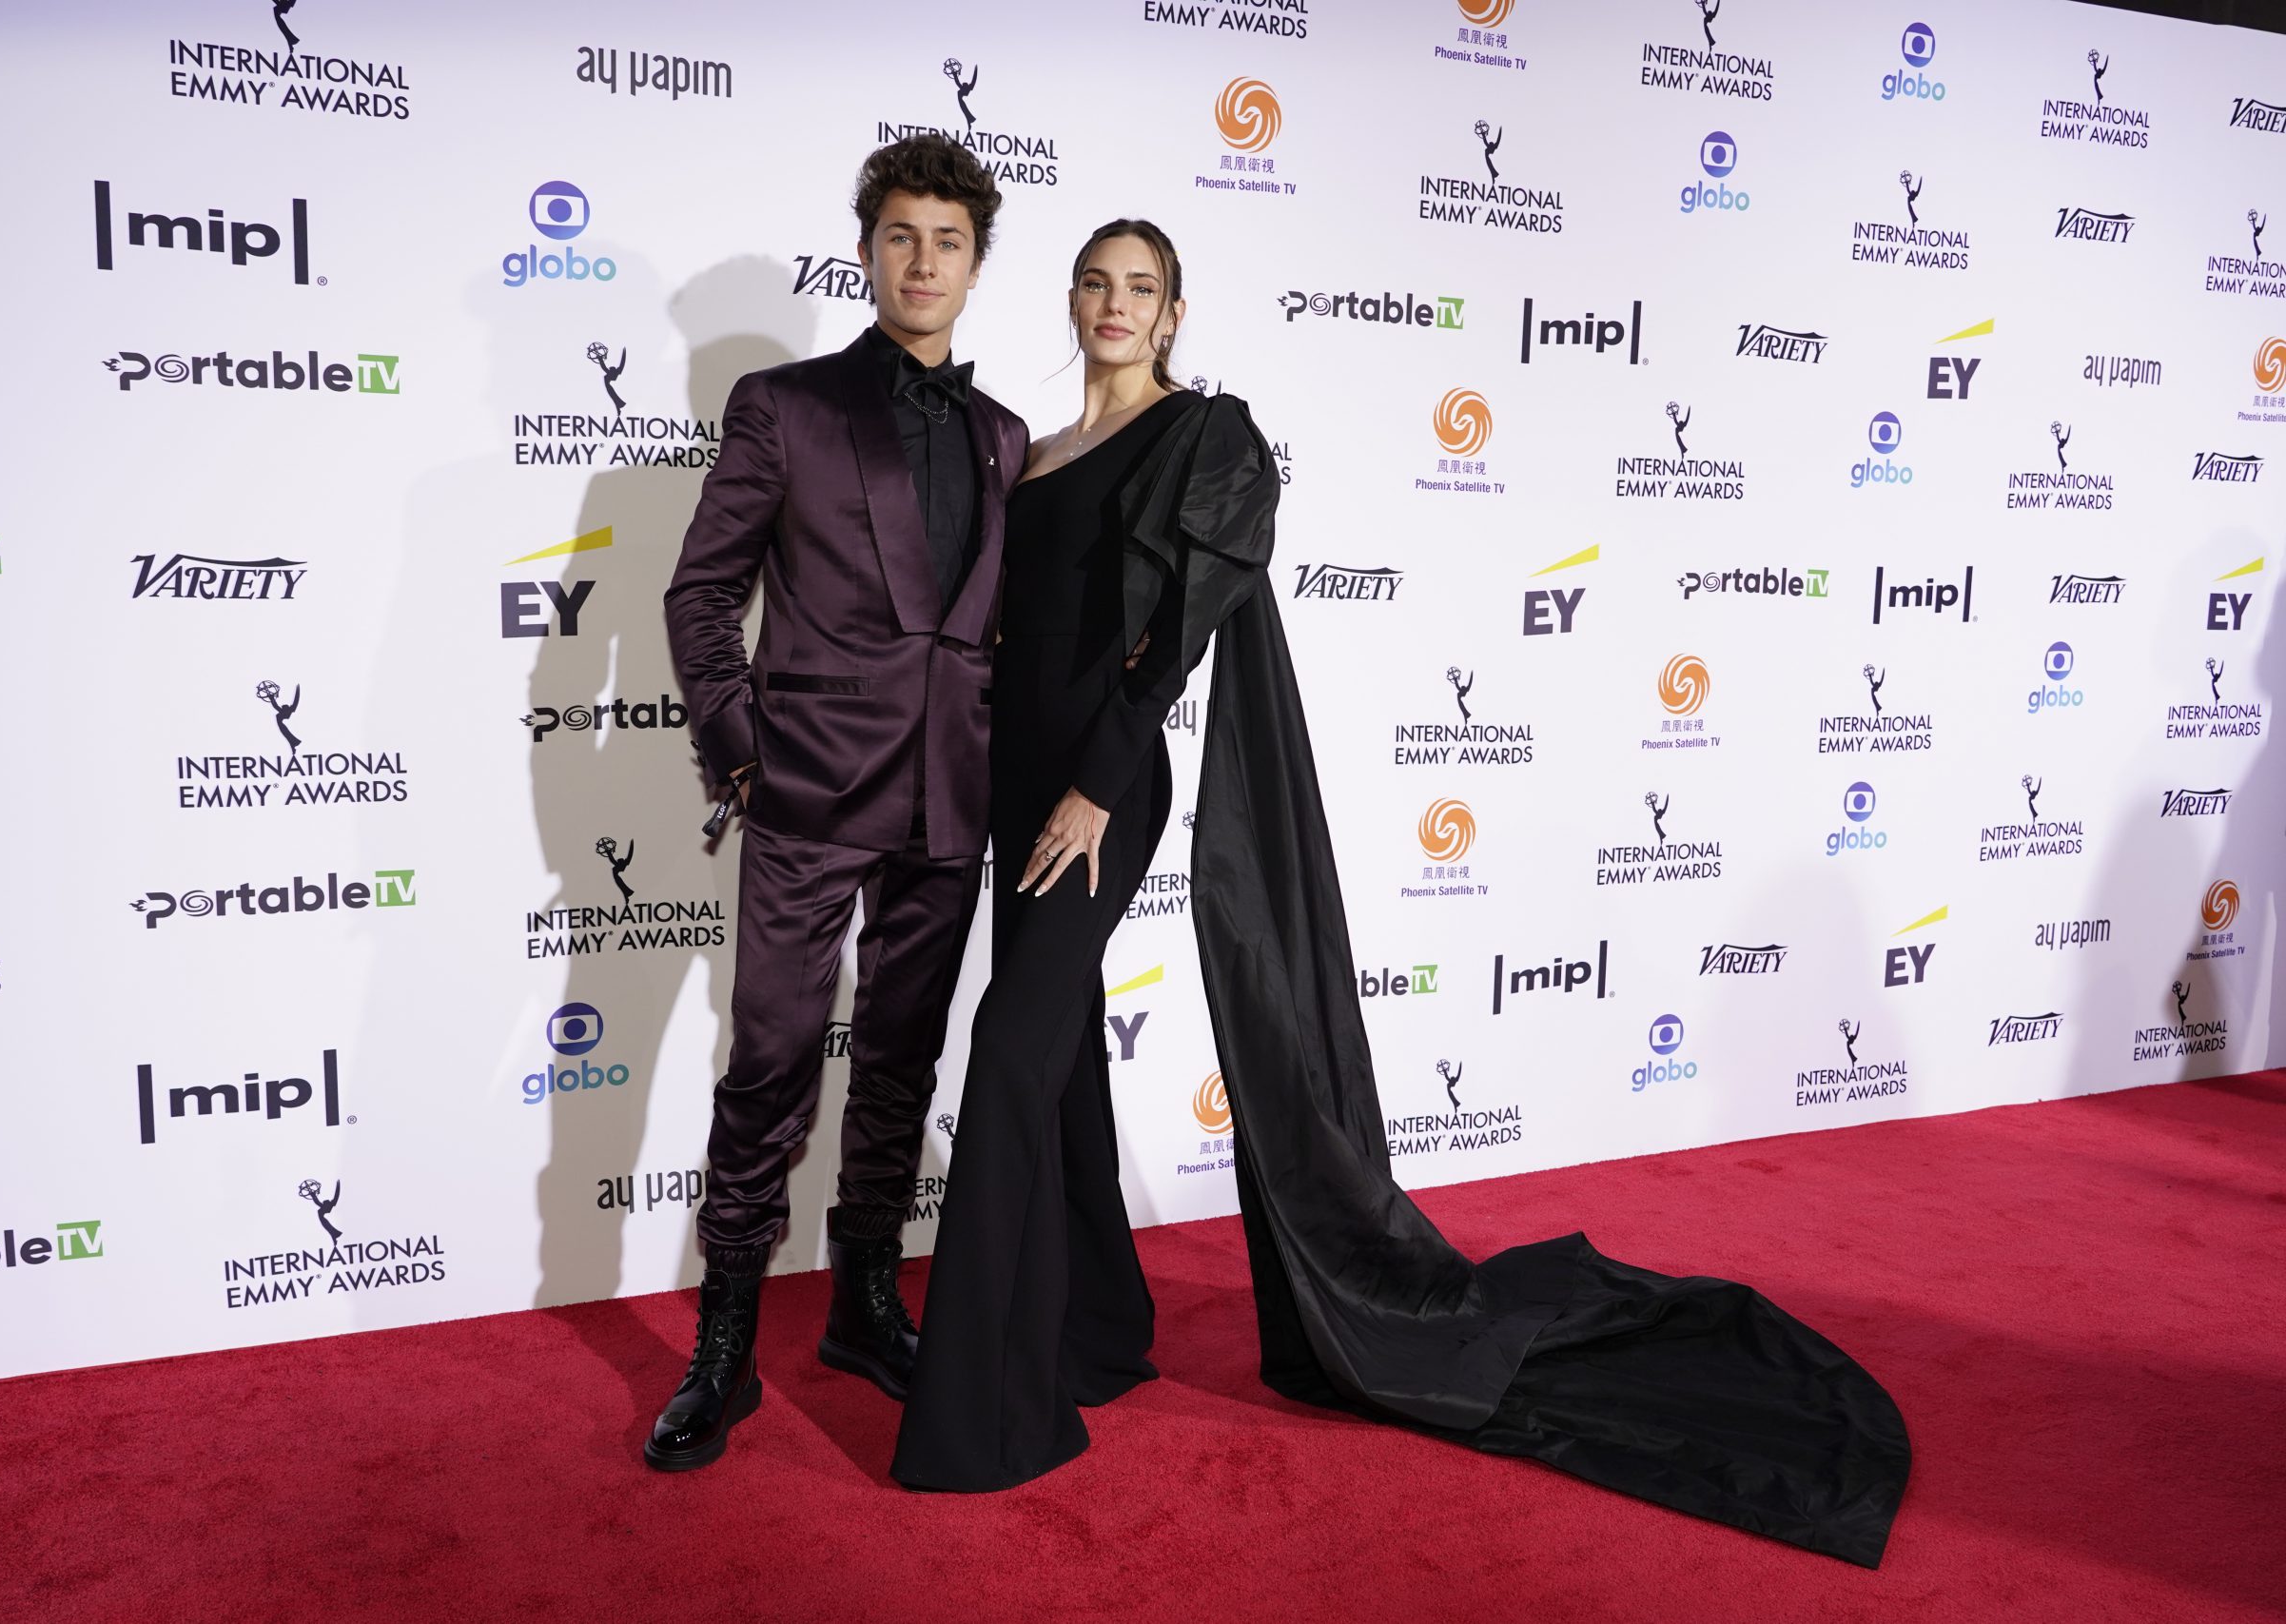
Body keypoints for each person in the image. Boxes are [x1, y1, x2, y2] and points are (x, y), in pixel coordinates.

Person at [892, 220, 1911, 1570]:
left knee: (1011, 1049)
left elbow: (1169, 645)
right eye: (1098, 282)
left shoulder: (1202, 435)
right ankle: (1094, 1329)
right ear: (1071, 300)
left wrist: (1094, 786)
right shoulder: (1035, 453)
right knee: (1063, 1054)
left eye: (1143, 288)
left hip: (1096, 791)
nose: (1117, 304)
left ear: (1175, 313)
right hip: (1011, 785)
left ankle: (986, 1411)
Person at [651, 134, 1026, 1472]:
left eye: (949, 242)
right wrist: (742, 755)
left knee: (903, 1063)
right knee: (768, 1066)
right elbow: (701, 594)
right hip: (808, 791)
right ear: (866, 253)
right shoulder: (785, 406)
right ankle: (725, 1348)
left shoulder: (1003, 436)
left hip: (951, 801)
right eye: (902, 237)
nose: (924, 263)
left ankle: (864, 1306)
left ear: (976, 267)